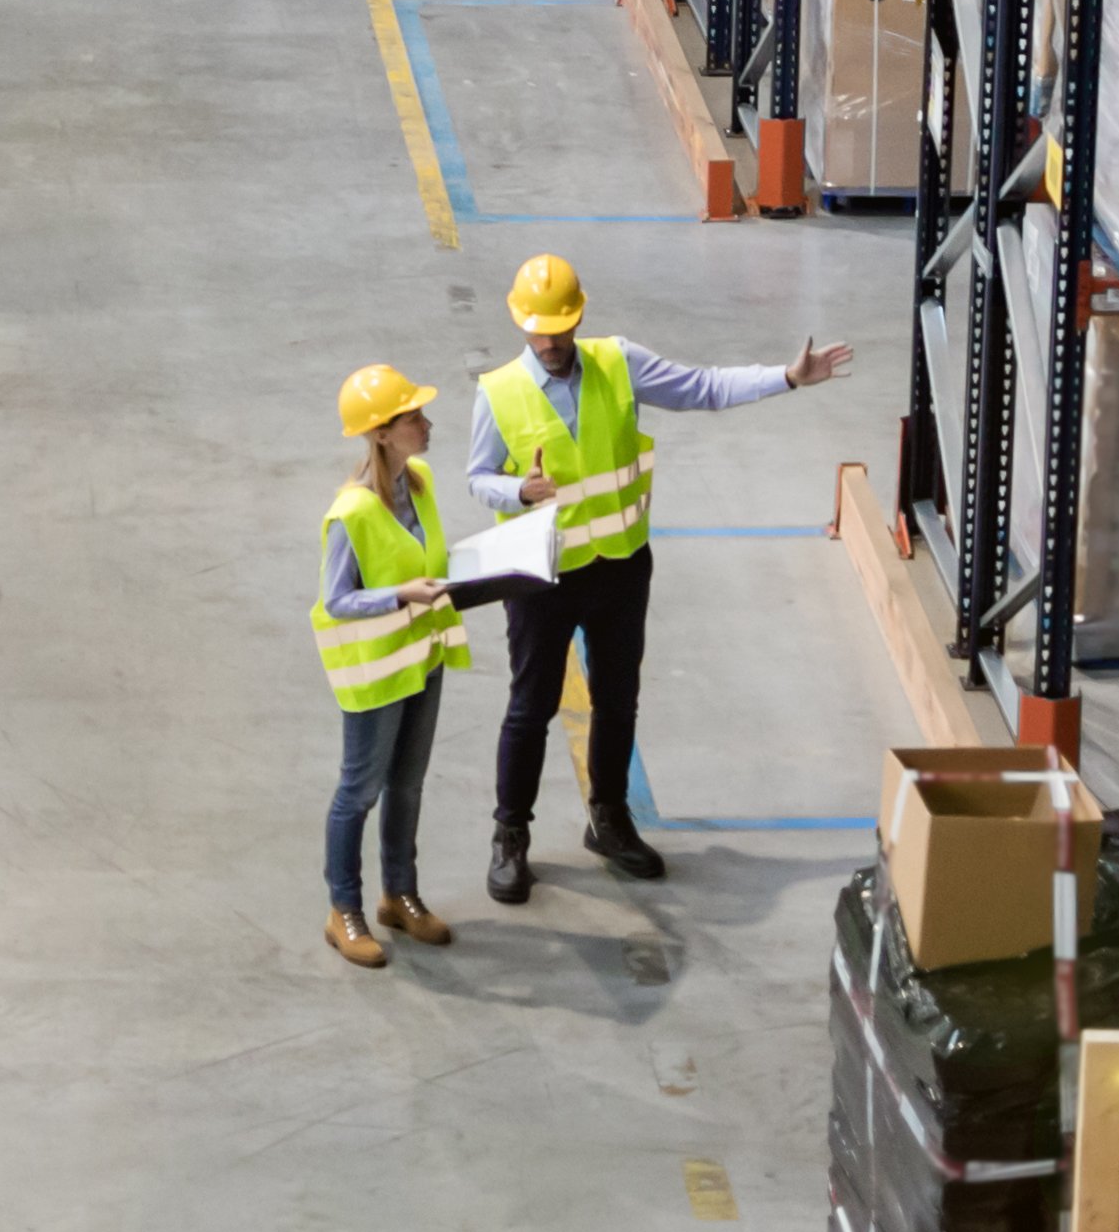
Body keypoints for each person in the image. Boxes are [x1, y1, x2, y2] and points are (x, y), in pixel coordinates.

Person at [473, 250, 853, 903]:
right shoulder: (497, 390)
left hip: (619, 563)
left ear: (578, 316)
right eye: (538, 329)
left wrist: (786, 378)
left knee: (616, 698)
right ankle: (510, 835)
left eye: (559, 327)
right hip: (540, 574)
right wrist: (517, 490)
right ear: (521, 324)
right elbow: (478, 477)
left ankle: (610, 817)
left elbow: (700, 387)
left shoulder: (617, 361)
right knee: (529, 707)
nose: (549, 340)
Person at [310, 362, 484, 969]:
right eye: (415, 418)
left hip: (422, 662)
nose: (427, 425)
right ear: (381, 433)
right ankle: (344, 910)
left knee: (406, 785)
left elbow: (427, 554)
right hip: (376, 677)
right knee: (357, 792)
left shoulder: (423, 481)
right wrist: (399, 597)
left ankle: (399, 895)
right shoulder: (351, 514)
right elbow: (336, 600)